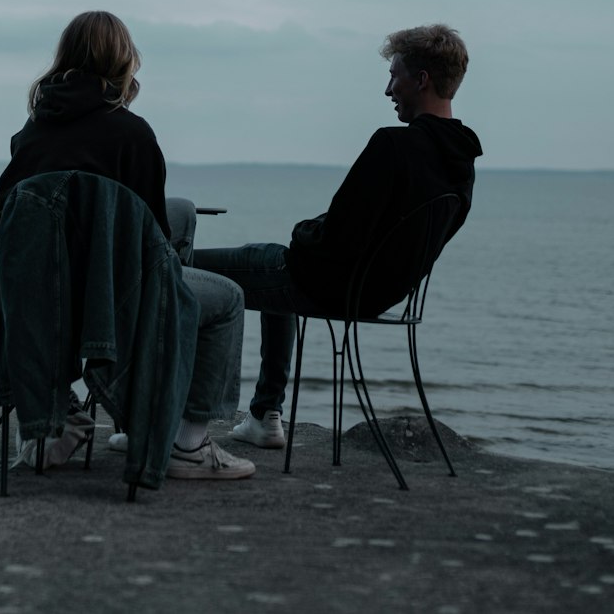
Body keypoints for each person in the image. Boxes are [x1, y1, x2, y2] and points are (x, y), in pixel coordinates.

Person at [0, 9, 255, 481]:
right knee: (227, 298)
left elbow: (2, 228)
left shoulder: (30, 133)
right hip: (112, 301)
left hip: (43, 294)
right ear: (122, 61)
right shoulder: (132, 134)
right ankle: (185, 443)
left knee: (182, 214)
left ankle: (136, 413)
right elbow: (150, 240)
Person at [192, 23, 483, 449]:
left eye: (395, 76)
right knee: (269, 270)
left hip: (327, 285)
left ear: (421, 80)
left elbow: (335, 239)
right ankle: (264, 414)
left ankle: (172, 422)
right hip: (381, 293)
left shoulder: (392, 145)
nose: (388, 90)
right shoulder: (462, 164)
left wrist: (302, 230)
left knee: (179, 267)